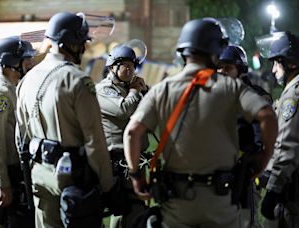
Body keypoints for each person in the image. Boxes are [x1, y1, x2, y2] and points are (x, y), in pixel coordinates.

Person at [123, 18, 278, 228]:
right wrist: (263, 159)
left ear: (183, 52)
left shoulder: (163, 88)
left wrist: (136, 176)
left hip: (176, 204)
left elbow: (132, 132)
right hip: (220, 202)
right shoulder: (231, 87)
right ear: (216, 52)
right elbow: (267, 115)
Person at [16, 12, 113, 227]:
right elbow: (94, 139)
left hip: (39, 172)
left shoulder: (27, 78)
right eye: (81, 43)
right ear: (70, 43)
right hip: (73, 178)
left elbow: (21, 135)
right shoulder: (77, 80)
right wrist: (108, 185)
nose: (84, 48)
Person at [0, 37, 35, 227]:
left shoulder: (13, 88)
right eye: (26, 59)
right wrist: (2, 183)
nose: (30, 63)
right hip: (7, 173)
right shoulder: (0, 93)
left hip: (16, 172)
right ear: (12, 63)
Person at [218, 45, 272, 228]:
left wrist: (256, 163)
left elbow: (262, 134)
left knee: (246, 221)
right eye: (219, 67)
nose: (221, 72)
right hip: (219, 175)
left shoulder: (252, 95)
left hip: (244, 174)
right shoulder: (218, 94)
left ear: (240, 69)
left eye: (227, 67)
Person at [96, 44, 148, 228]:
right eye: (124, 64)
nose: (129, 69)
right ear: (112, 67)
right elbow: (123, 110)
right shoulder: (103, 89)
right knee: (123, 209)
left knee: (137, 210)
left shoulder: (132, 90)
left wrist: (145, 93)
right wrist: (135, 92)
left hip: (136, 160)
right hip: (117, 162)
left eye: (132, 65)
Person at [260, 31, 299, 228]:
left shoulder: (294, 93)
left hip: (290, 194)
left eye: (277, 62)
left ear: (291, 63)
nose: (274, 70)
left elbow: (287, 146)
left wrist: (273, 190)